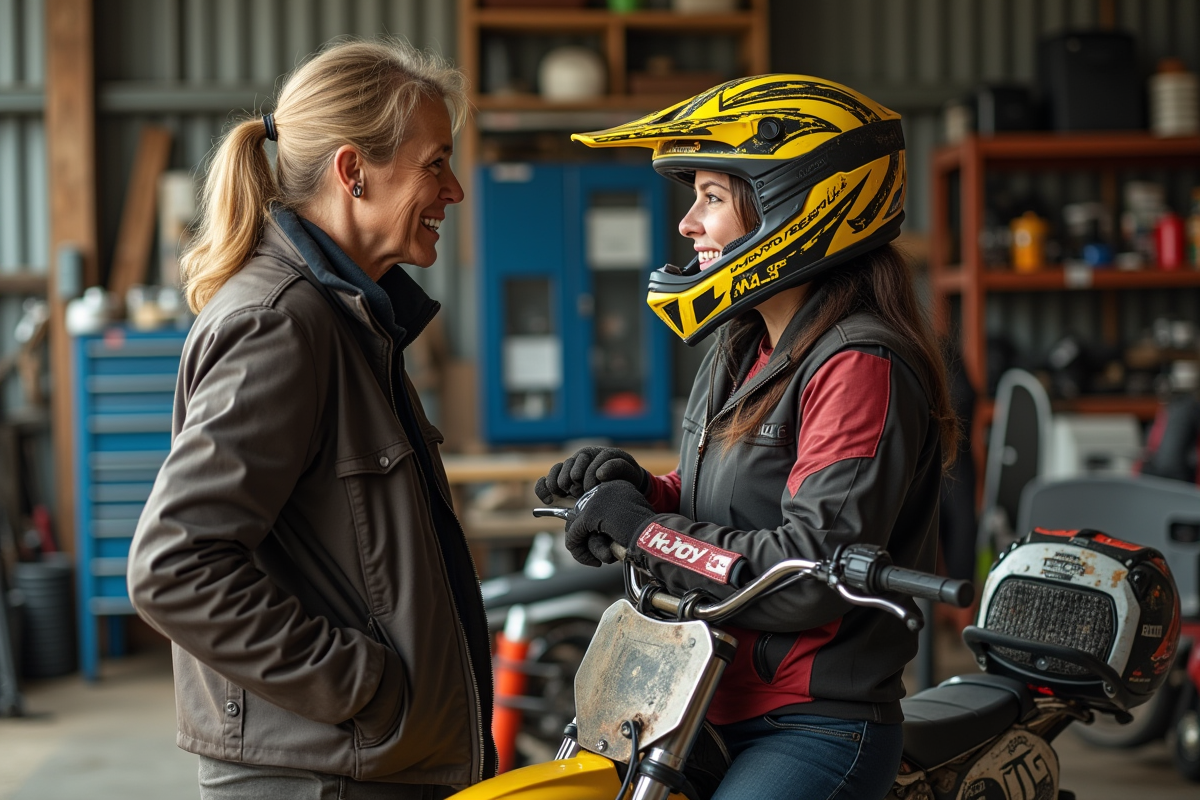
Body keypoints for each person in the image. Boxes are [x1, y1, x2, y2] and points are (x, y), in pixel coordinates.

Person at [535, 75, 958, 800]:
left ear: (794, 205)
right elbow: (735, 504)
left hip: (813, 721)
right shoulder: (742, 346)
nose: (687, 224)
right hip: (701, 695)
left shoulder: (858, 364)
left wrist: (644, 533)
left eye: (712, 197)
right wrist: (642, 492)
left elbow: (807, 570)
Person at [127, 39, 495, 799]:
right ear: (353, 171)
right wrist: (364, 687)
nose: (454, 190)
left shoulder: (349, 318)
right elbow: (174, 567)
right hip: (321, 775)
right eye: (435, 164)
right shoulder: (282, 325)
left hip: (353, 766)